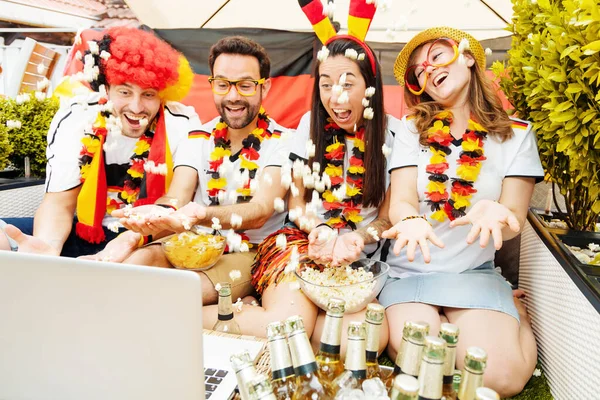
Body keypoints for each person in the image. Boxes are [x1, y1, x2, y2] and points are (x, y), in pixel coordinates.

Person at [197, 1, 393, 354]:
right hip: (298, 245)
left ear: (371, 84)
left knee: (364, 342)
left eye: (349, 83)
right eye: (326, 83)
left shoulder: (394, 136)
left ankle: (266, 316)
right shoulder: (308, 126)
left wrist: (357, 238)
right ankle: (186, 313)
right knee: (290, 327)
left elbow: (386, 217)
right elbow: (297, 203)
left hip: (358, 262)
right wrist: (317, 229)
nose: (337, 96)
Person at [380, 27, 544, 397]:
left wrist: (497, 212)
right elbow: (402, 199)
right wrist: (410, 220)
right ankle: (436, 318)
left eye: (436, 56)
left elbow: (514, 215)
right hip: (411, 273)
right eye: (419, 72)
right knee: (421, 358)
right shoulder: (410, 131)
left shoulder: (517, 135)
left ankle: (516, 315)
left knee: (500, 378)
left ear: (467, 56)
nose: (427, 69)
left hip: (472, 272)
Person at [110, 36, 291, 305]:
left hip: (249, 250)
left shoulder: (284, 140)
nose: (233, 96)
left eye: (245, 85)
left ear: (265, 87)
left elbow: (260, 211)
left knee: (179, 294)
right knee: (134, 267)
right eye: (222, 84)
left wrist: (199, 215)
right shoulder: (197, 136)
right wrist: (153, 219)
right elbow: (177, 198)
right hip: (192, 242)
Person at [0, 26, 198, 258]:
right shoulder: (77, 116)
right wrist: (48, 251)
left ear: (163, 93)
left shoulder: (183, 122)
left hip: (149, 239)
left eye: (148, 94)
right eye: (125, 92)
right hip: (87, 233)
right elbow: (60, 204)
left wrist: (128, 241)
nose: (136, 108)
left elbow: (177, 199)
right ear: (105, 87)